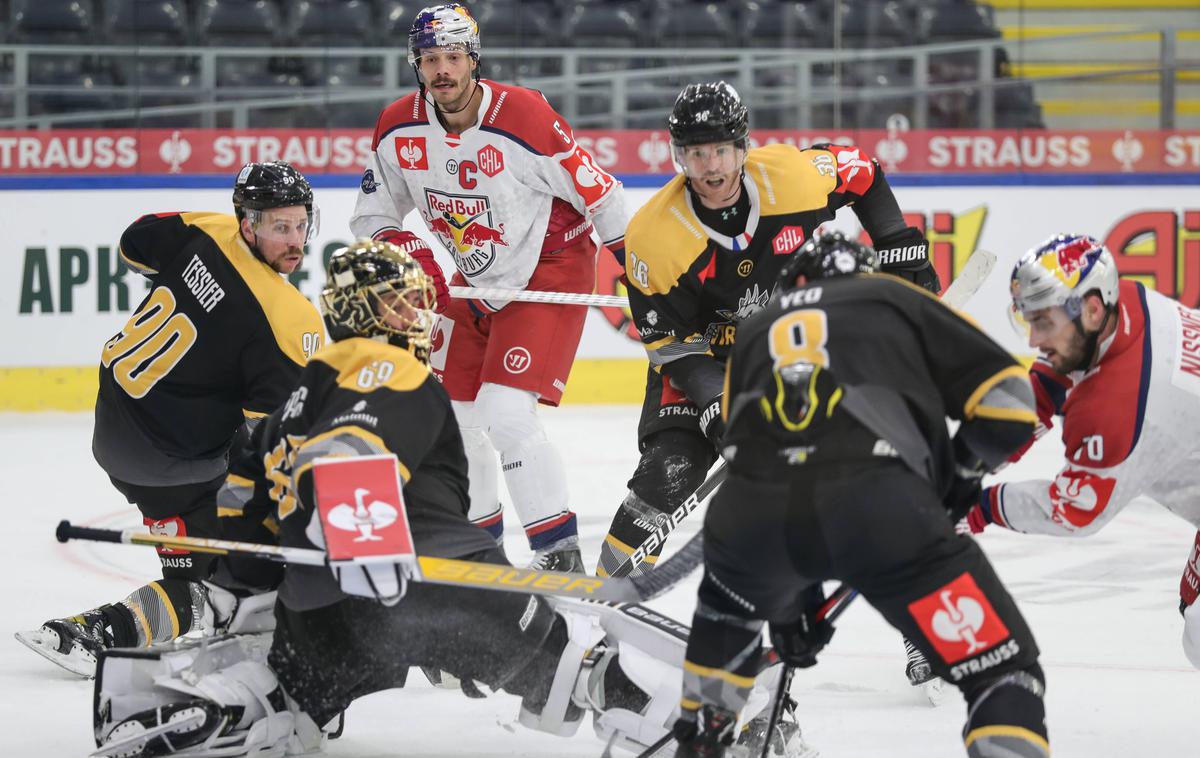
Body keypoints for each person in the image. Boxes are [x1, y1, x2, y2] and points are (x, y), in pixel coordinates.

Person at [88, 240, 810, 758]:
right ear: (366, 312)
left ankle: (220, 711)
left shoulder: (287, 406)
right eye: (404, 300)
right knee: (574, 657)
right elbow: (352, 447)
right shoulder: (378, 363)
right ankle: (698, 736)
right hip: (428, 580)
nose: (420, 315)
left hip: (318, 612)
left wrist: (248, 609)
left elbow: (243, 505)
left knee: (290, 701)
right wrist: (366, 541)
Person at [670, 232, 1048, 758]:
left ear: (794, 284)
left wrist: (790, 610)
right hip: (883, 507)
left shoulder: (757, 329)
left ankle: (703, 730)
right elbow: (1012, 405)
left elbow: (767, 467)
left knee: (713, 694)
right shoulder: (892, 296)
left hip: (746, 526)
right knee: (1005, 674)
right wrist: (957, 476)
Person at [16, 161, 325, 677]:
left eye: (301, 225)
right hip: (165, 456)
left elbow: (133, 242)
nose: (295, 241)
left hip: (117, 415)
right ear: (249, 224)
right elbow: (272, 446)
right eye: (279, 227)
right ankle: (92, 633)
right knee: (220, 582)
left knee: (219, 534)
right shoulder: (289, 318)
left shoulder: (208, 229)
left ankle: (191, 549)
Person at [349, 3, 628, 573]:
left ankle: (558, 555)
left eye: (453, 57)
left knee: (505, 414)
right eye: (430, 60)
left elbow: (600, 194)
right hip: (476, 278)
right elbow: (370, 215)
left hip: (550, 265)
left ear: (473, 59)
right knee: (453, 421)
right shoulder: (398, 126)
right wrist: (408, 248)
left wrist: (636, 271)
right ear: (416, 65)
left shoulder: (523, 114)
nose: (442, 71)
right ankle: (480, 555)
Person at [965, 233, 1200, 669]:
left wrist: (976, 505)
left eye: (1044, 323)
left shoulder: (1115, 410)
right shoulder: (1123, 304)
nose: (1033, 341)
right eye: (1028, 323)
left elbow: (1074, 510)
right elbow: (1052, 385)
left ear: (1092, 310)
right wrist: (969, 455)